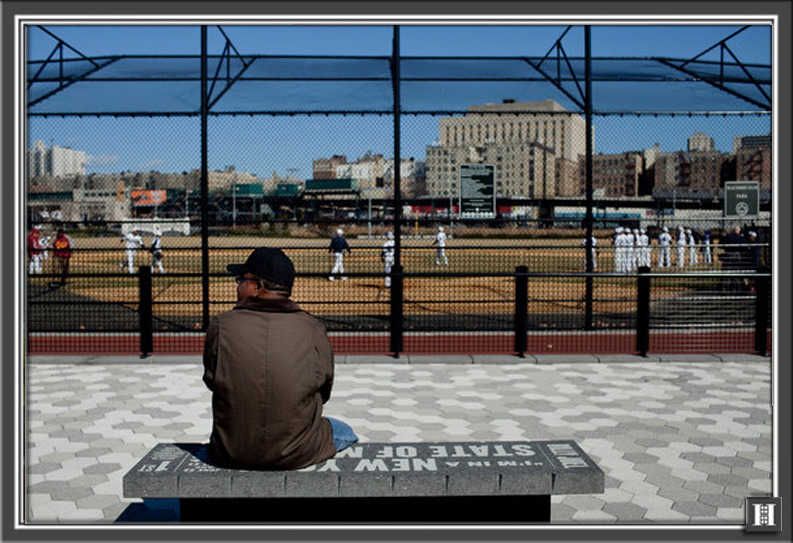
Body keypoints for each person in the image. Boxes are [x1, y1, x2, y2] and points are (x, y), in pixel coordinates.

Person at [203, 247, 359, 470]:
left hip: (231, 450)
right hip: (298, 452)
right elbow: (324, 392)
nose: (238, 285)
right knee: (345, 430)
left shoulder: (221, 325)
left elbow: (212, 381)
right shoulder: (312, 327)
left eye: (241, 279)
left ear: (258, 286)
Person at [718, 225, 747, 291]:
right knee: (735, 272)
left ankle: (723, 288)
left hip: (728, 254)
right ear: (738, 231)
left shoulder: (727, 237)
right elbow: (744, 247)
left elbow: (720, 244)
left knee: (725, 273)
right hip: (736, 255)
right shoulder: (741, 238)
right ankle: (735, 288)